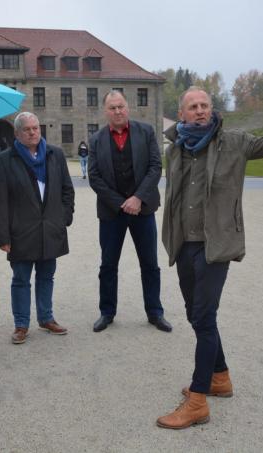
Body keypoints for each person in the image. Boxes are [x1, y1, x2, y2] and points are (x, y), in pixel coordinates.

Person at [155, 59, 263, 430]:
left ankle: (197, 401)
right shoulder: (175, 149)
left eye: (205, 105)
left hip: (217, 246)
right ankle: (220, 378)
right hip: (184, 246)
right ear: (180, 113)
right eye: (193, 106)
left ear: (212, 110)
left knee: (203, 318)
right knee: (199, 316)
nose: (200, 111)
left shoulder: (234, 143)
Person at [87, 90, 171, 333]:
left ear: (128, 107)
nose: (117, 111)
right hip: (112, 213)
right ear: (105, 111)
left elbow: (156, 167)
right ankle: (107, 312)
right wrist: (121, 203)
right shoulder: (96, 140)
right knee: (108, 265)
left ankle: (155, 312)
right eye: (112, 107)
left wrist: (137, 198)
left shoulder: (145, 132)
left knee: (150, 264)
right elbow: (94, 177)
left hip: (142, 210)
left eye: (121, 106)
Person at [0, 112, 75, 344]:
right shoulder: (5, 160)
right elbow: (0, 202)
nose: (33, 132)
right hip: (21, 231)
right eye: (27, 129)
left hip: (50, 228)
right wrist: (3, 236)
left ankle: (46, 318)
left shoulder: (54, 155)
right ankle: (21, 324)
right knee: (21, 279)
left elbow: (67, 189)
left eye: (36, 128)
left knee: (47, 276)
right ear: (17, 133)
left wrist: (64, 217)